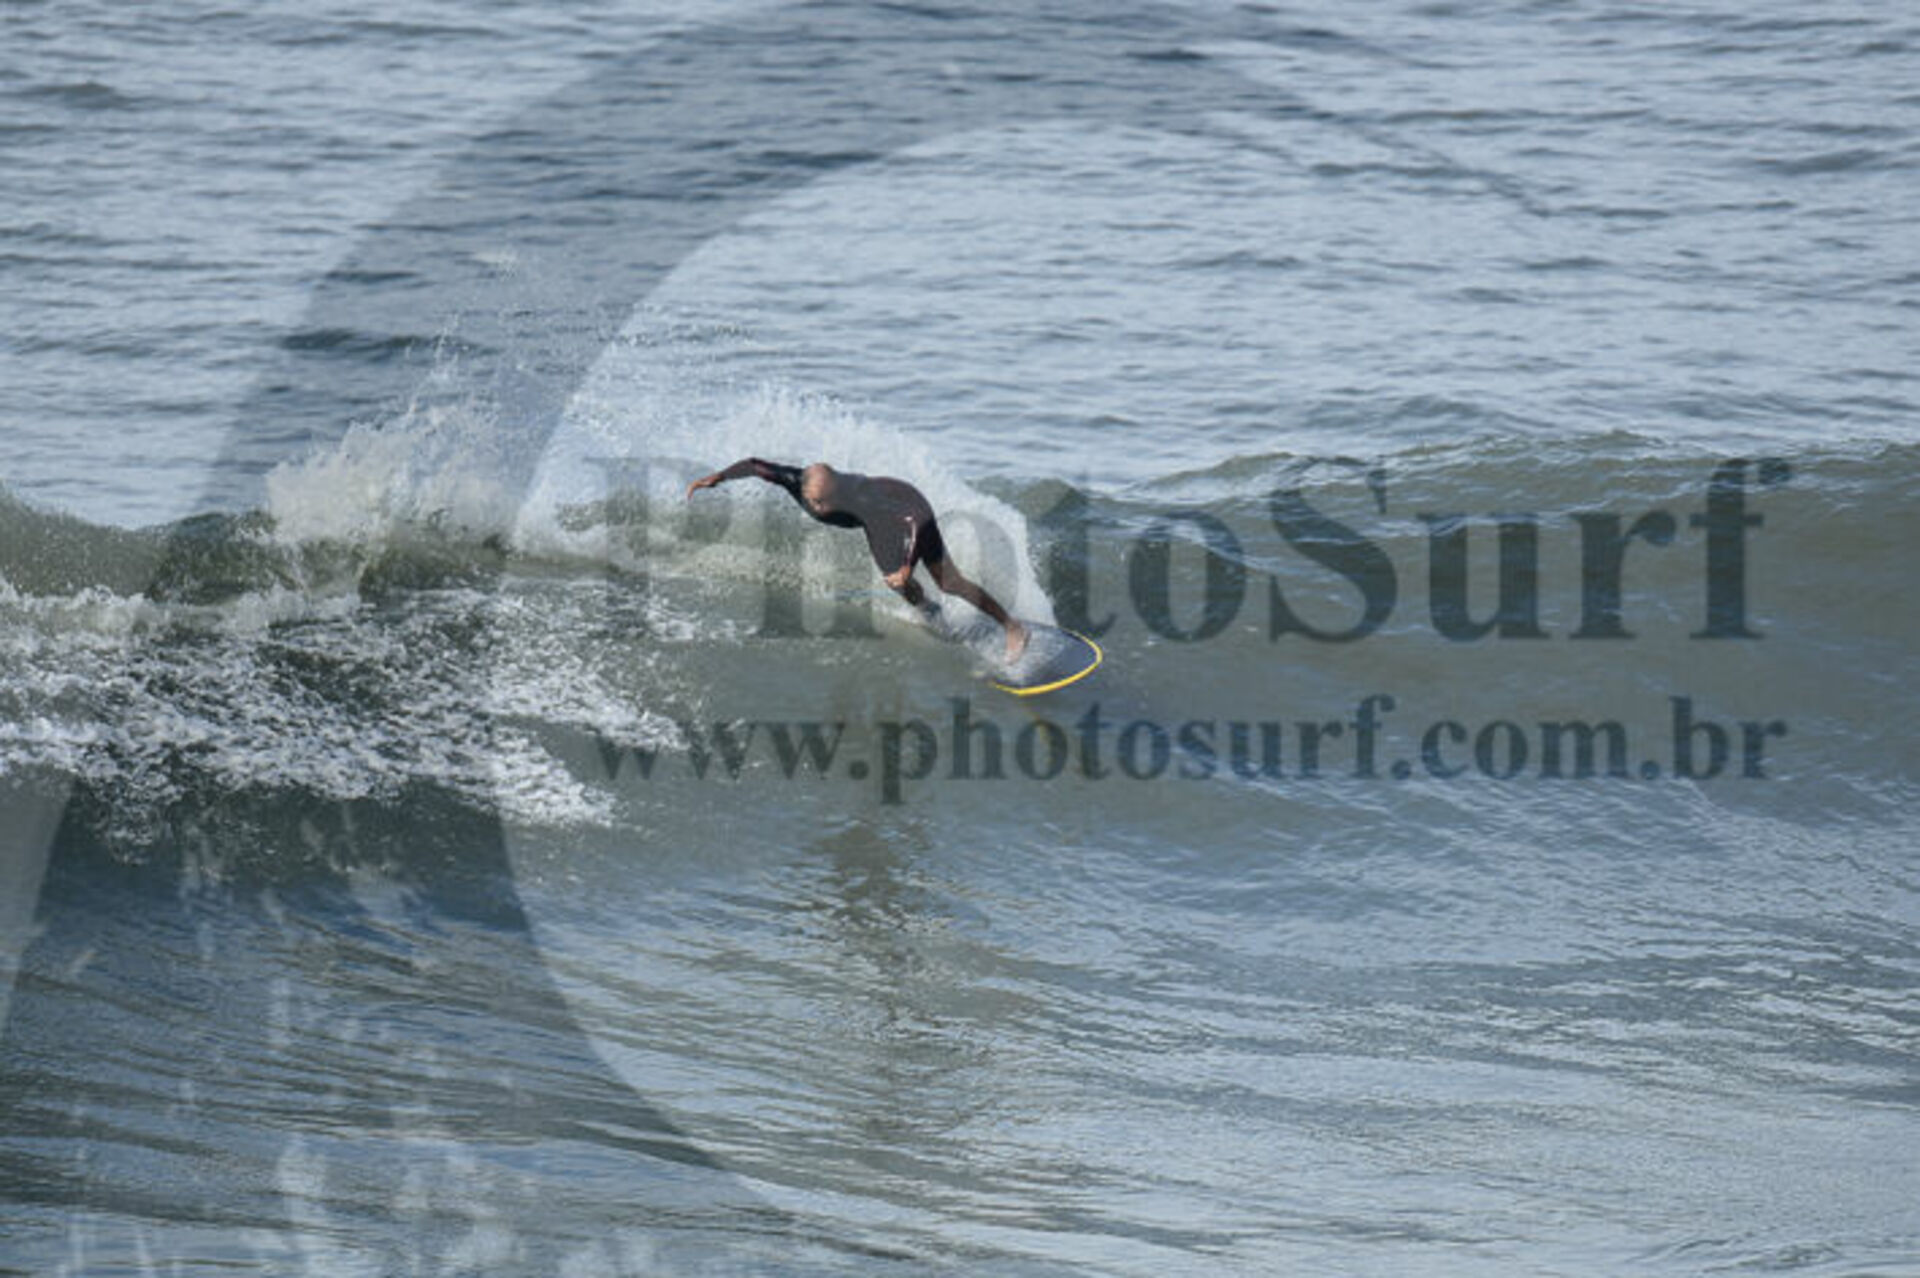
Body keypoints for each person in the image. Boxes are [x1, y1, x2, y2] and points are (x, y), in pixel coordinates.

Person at [686, 459, 1028, 660]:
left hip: (911, 511)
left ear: (840, 491)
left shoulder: (863, 497)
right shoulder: (796, 481)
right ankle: (933, 614)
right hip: (876, 525)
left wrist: (907, 566)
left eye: (827, 502)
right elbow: (754, 465)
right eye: (816, 503)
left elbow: (916, 521)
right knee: (897, 585)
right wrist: (718, 477)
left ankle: (1013, 627)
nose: (821, 509)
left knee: (948, 581)